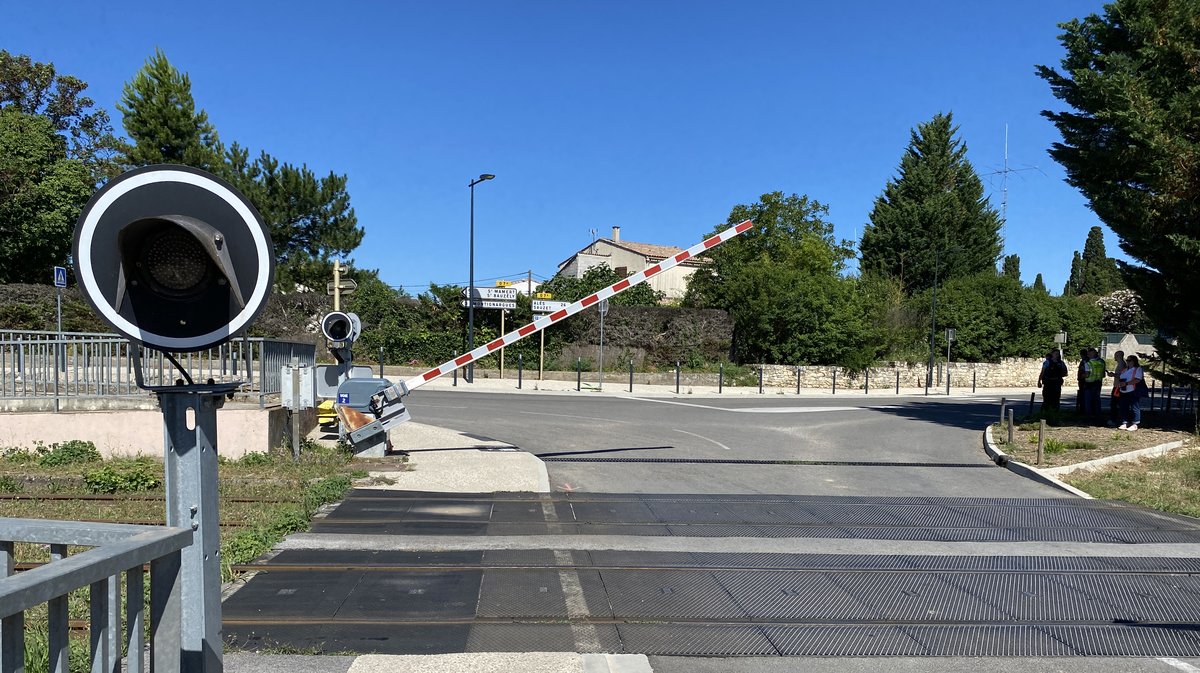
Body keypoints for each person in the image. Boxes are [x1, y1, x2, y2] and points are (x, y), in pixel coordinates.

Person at [1118, 354, 1144, 431]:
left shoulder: (1137, 369)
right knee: (1123, 407)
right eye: (1127, 360)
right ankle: (1125, 422)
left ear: (1134, 361)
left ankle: (1135, 423)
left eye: (1129, 360)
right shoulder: (1125, 369)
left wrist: (1126, 383)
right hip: (1123, 390)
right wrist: (1114, 375)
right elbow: (1120, 377)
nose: (1127, 362)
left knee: (1134, 407)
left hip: (1133, 390)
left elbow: (1137, 379)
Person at [1106, 350, 1127, 427]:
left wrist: (1113, 375)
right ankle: (1117, 419)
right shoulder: (1120, 364)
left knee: (1114, 404)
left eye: (1115, 355)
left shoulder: (1121, 364)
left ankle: (1114, 420)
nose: (1114, 357)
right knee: (1115, 404)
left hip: (1118, 387)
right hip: (1117, 386)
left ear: (1118, 356)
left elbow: (1121, 375)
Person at [1084, 348, 1106, 417]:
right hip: (1098, 382)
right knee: (1097, 399)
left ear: (1089, 355)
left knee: (1088, 400)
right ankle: (1097, 414)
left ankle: (1089, 415)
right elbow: (1103, 374)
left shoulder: (1088, 363)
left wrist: (1082, 375)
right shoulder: (1101, 362)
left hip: (1089, 383)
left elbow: (1087, 374)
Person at [1075, 348, 1090, 413]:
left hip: (1084, 380)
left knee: (1083, 394)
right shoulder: (1085, 360)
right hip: (1082, 379)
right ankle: (1082, 408)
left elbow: (1083, 370)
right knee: (1082, 394)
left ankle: (1083, 408)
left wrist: (1081, 377)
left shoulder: (1085, 361)